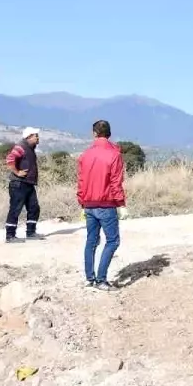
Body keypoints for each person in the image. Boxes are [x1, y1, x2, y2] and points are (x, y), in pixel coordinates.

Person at [77, 119, 126, 291]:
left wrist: (82, 202)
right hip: (106, 204)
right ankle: (101, 279)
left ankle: (89, 278)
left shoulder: (85, 155)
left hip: (89, 204)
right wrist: (121, 203)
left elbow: (81, 181)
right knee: (112, 241)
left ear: (94, 133)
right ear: (109, 133)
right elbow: (115, 182)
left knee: (91, 240)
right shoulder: (114, 154)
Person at [4, 127, 43, 243]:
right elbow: (10, 159)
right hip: (19, 184)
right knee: (15, 209)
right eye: (36, 135)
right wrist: (17, 172)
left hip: (28, 184)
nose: (38, 138)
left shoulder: (30, 148)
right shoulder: (21, 146)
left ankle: (31, 232)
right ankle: (10, 235)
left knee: (34, 208)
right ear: (29, 136)